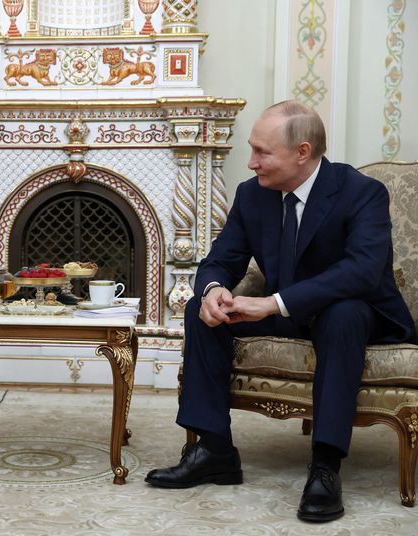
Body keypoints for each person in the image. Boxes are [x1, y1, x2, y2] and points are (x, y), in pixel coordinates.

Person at [145, 100, 416, 522]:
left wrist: (272, 303)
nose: (251, 162)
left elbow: (361, 272)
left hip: (359, 315)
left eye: (262, 152)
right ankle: (215, 449)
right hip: (289, 311)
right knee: (204, 308)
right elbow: (221, 258)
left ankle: (325, 466)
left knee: (341, 313)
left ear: (302, 152)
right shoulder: (253, 196)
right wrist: (216, 289)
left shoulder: (361, 192)